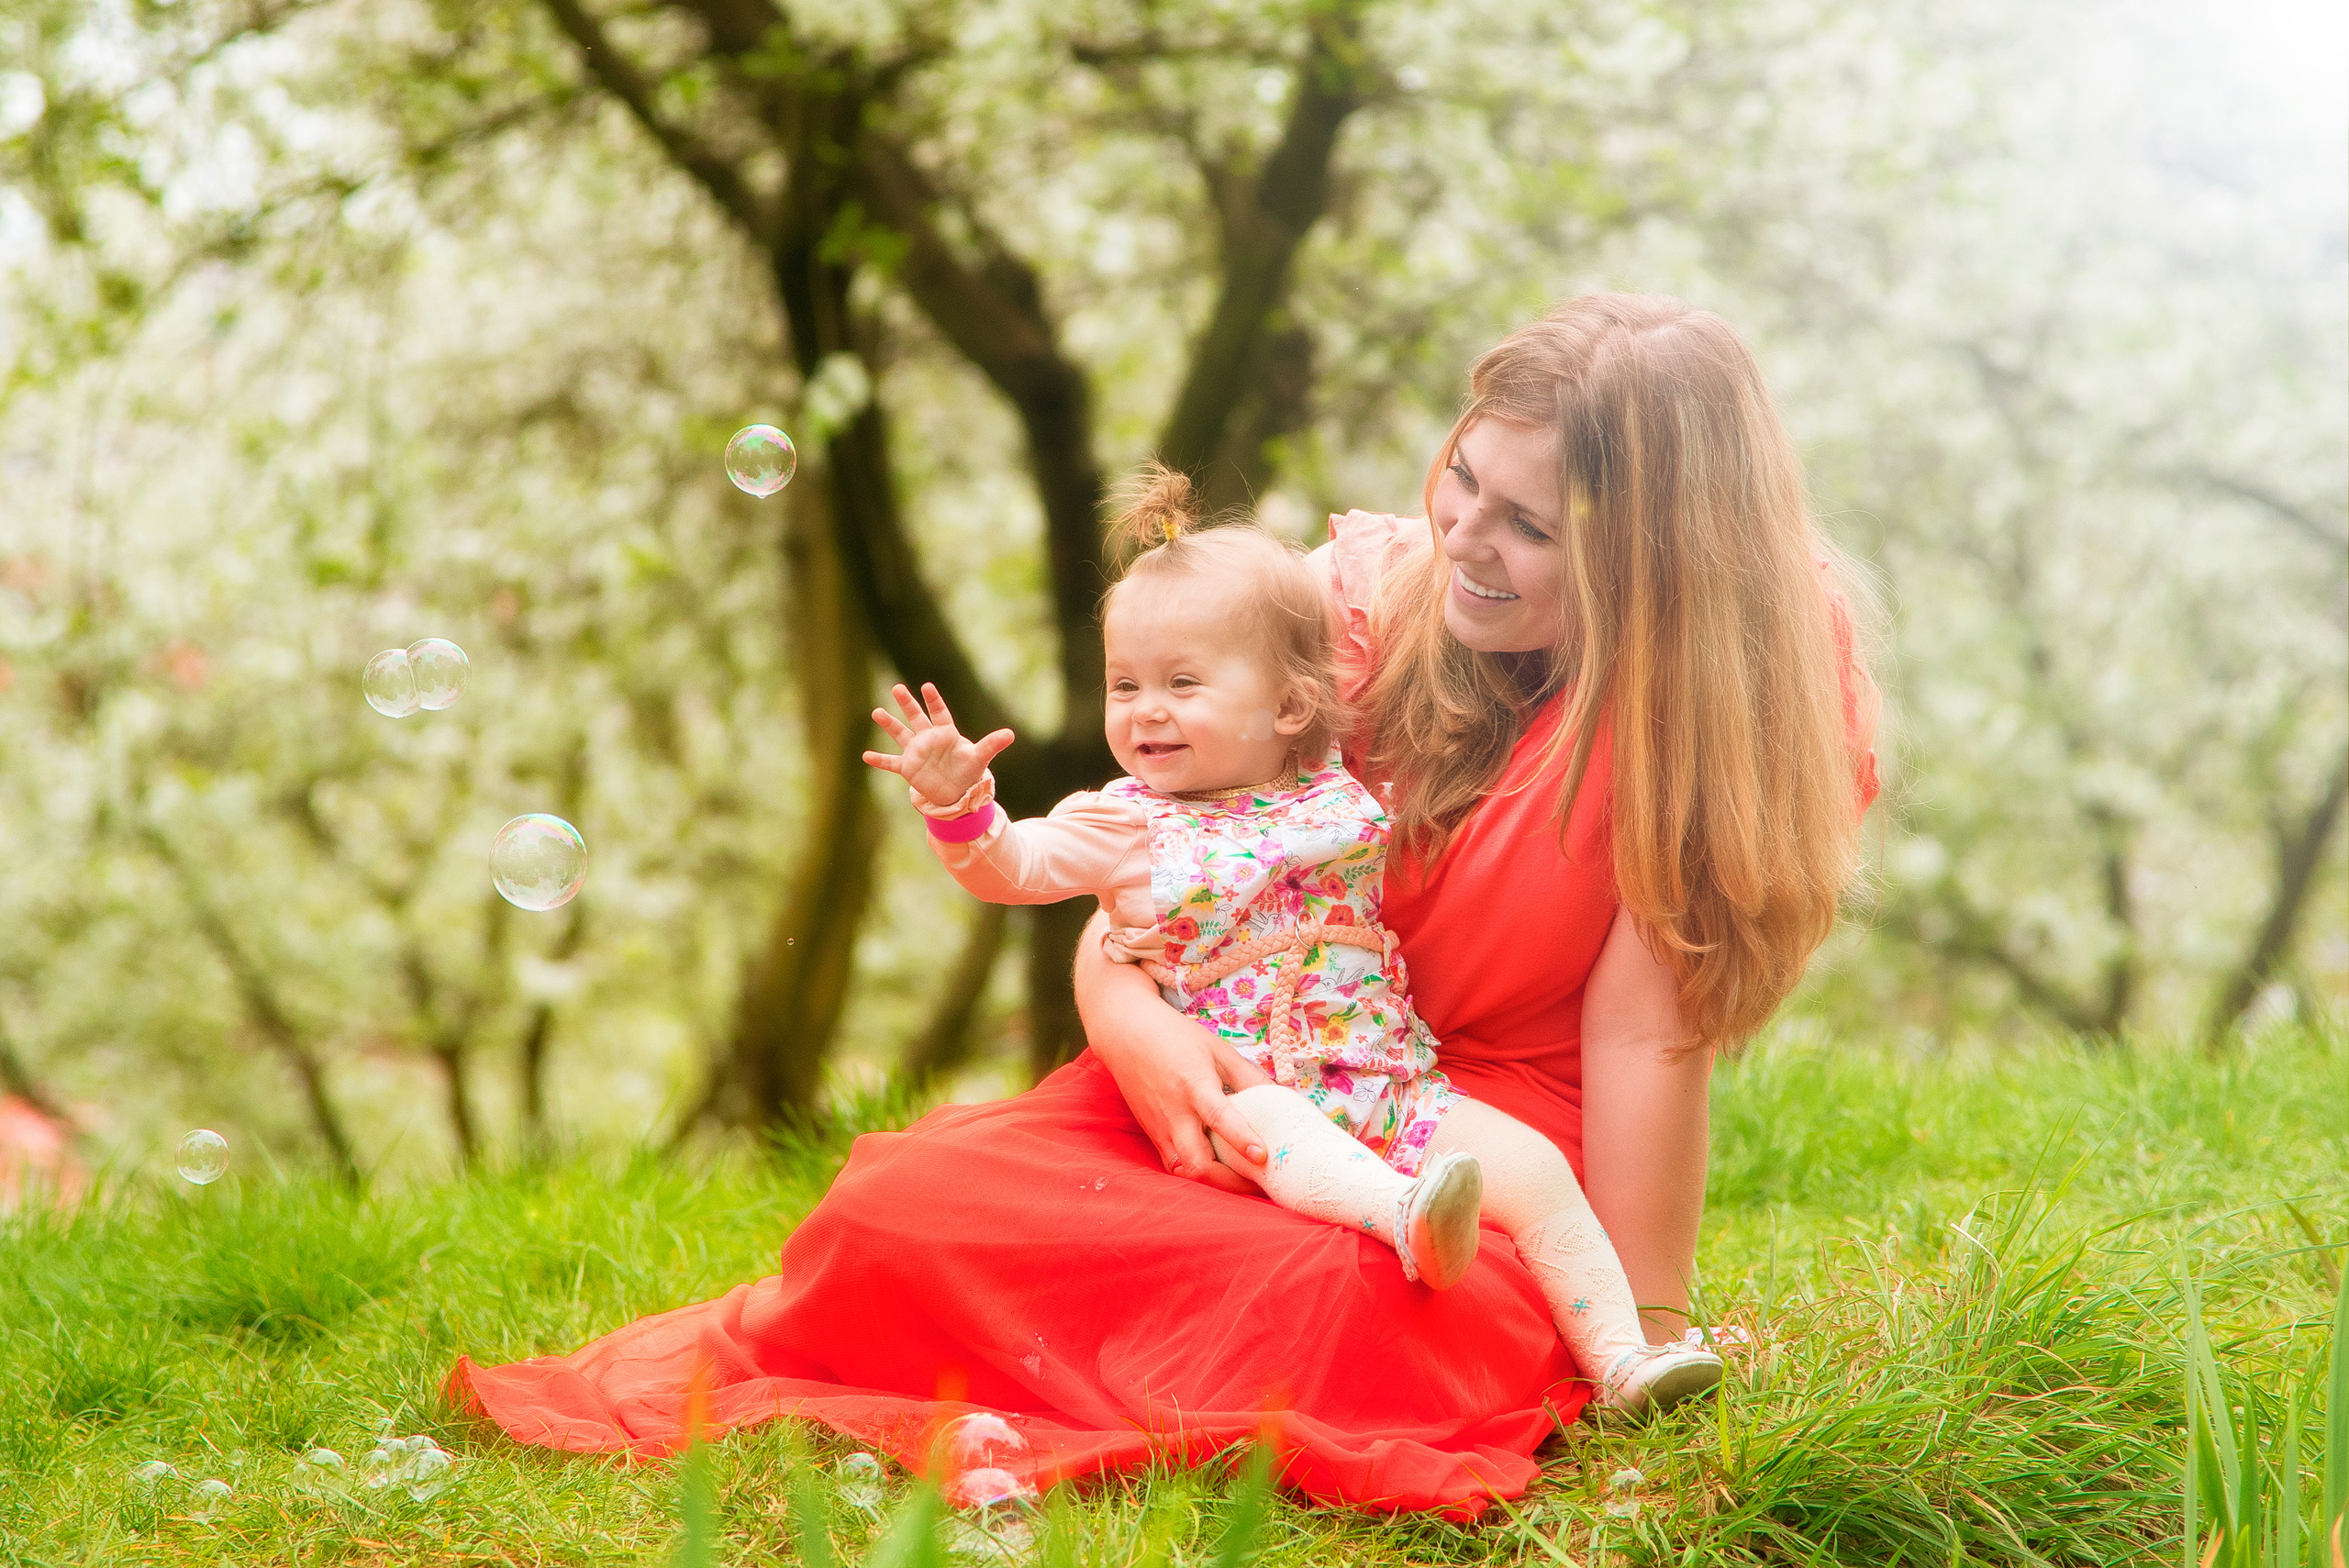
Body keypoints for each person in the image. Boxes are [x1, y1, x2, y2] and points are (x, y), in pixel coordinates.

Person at [445, 294, 1879, 1518]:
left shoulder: (1717, 697)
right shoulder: (1350, 608)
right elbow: (1175, 867)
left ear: (1656, 555)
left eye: (1531, 527)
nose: (1468, 538)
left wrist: (1643, 1322)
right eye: (1465, 483)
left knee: (1339, 1312)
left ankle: (1529, 1325)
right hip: (1238, 1051)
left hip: (1473, 1124)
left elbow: (1645, 1044)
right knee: (905, 1206)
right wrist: (1125, 1018)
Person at [863, 464, 1725, 1416]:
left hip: (1386, 1076)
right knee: (1295, 1144)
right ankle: (1403, 1215)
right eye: (1124, 684)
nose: (1145, 707)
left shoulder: (1327, 787)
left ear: (1286, 707)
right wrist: (958, 807)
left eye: (1182, 682)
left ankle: (1625, 1355)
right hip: (1252, 1085)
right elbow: (1013, 866)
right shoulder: (1126, 821)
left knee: (1535, 1172)